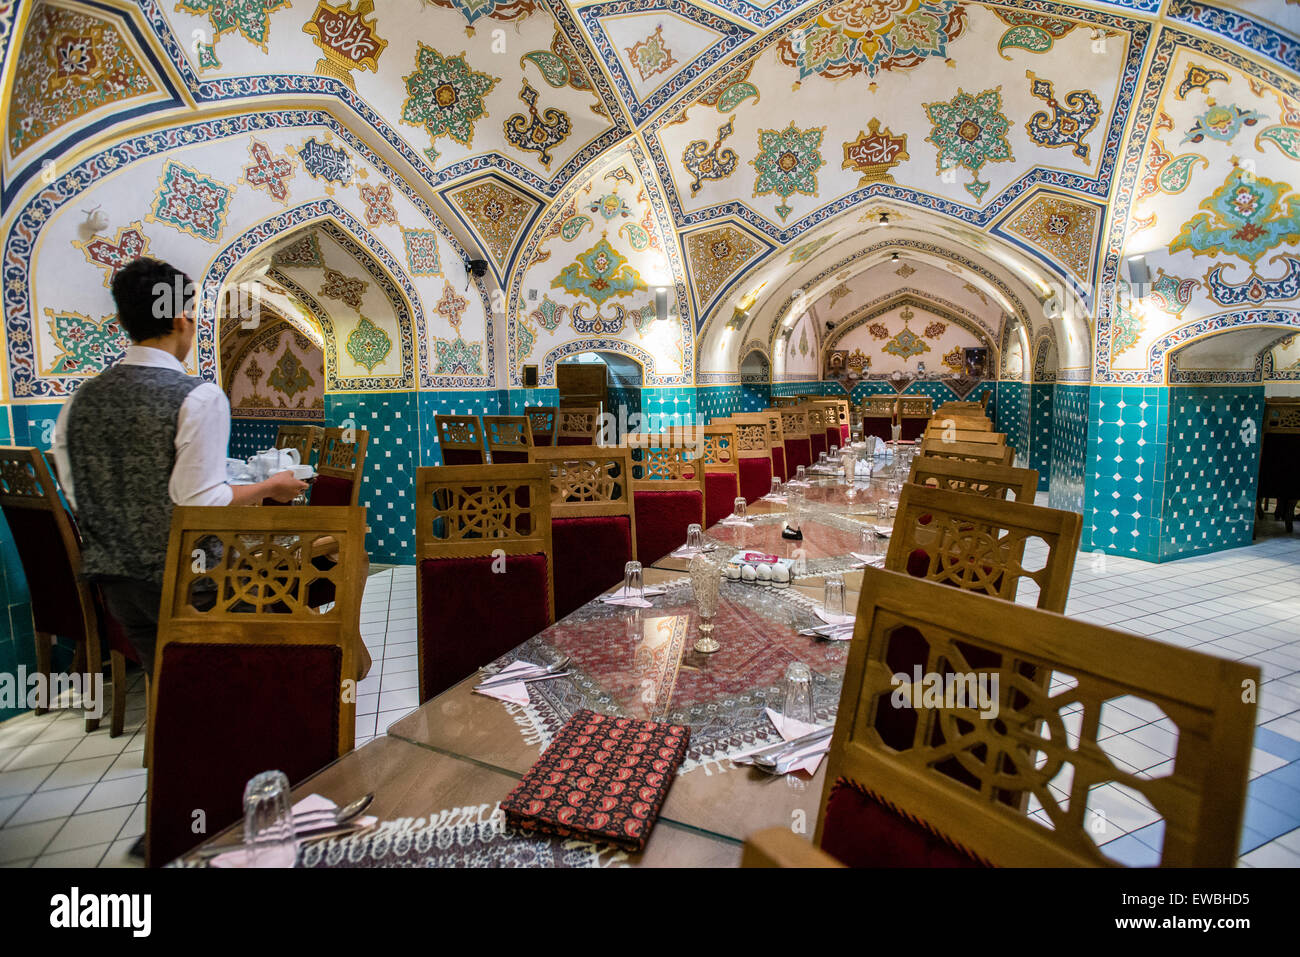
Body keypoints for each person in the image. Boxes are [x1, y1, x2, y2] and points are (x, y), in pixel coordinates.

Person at [52, 257, 307, 677]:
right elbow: (202, 506)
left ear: (124, 319)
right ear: (181, 317)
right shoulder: (199, 397)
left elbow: (80, 492)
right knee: (234, 685)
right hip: (198, 585)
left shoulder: (81, 399)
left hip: (118, 586)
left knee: (175, 694)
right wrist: (268, 488)